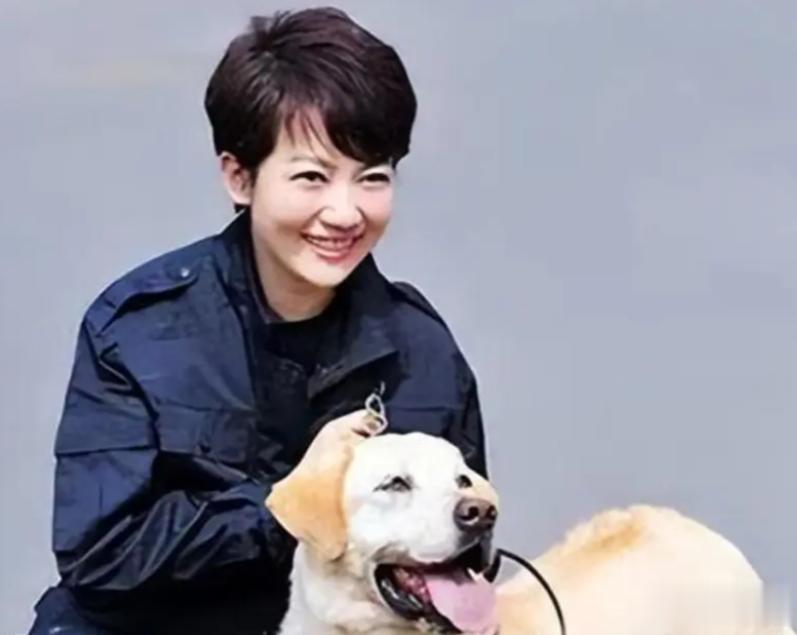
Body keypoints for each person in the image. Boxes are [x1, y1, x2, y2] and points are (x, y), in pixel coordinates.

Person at [29, 7, 487, 635]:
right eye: (311, 177)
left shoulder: (423, 351)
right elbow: (103, 556)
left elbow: (456, 548)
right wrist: (291, 505)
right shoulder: (136, 331)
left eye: (372, 178)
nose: (345, 212)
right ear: (239, 177)